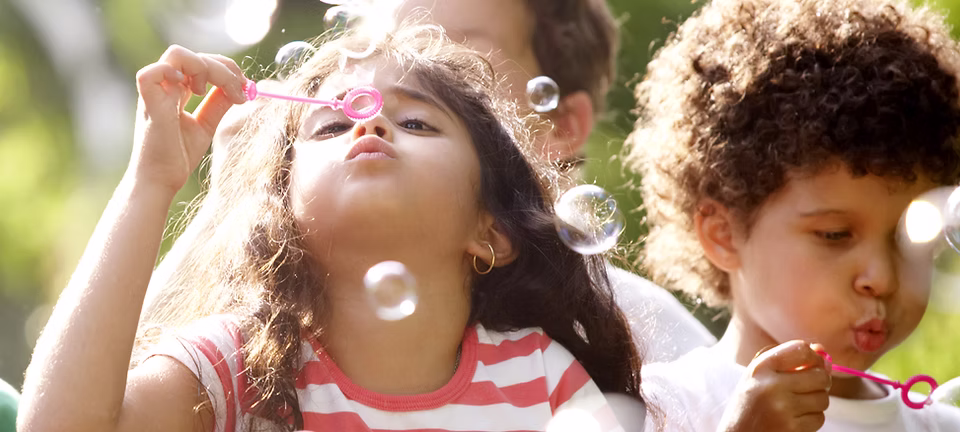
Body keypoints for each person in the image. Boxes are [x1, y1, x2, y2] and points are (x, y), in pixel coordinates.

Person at [18, 24, 642, 432]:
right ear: (281, 211)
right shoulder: (242, 371)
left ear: (490, 231)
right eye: (330, 125)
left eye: (419, 123)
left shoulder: (539, 378)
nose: (368, 126)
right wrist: (151, 180)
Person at [145, 0, 717, 364]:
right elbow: (111, 386)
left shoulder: (634, 332)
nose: (399, 76)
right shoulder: (266, 337)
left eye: (454, 54)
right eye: (385, 47)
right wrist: (224, 204)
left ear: (561, 127)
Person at [628, 0, 960, 430]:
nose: (881, 278)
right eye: (835, 235)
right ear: (724, 235)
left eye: (907, 236)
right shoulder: (665, 409)